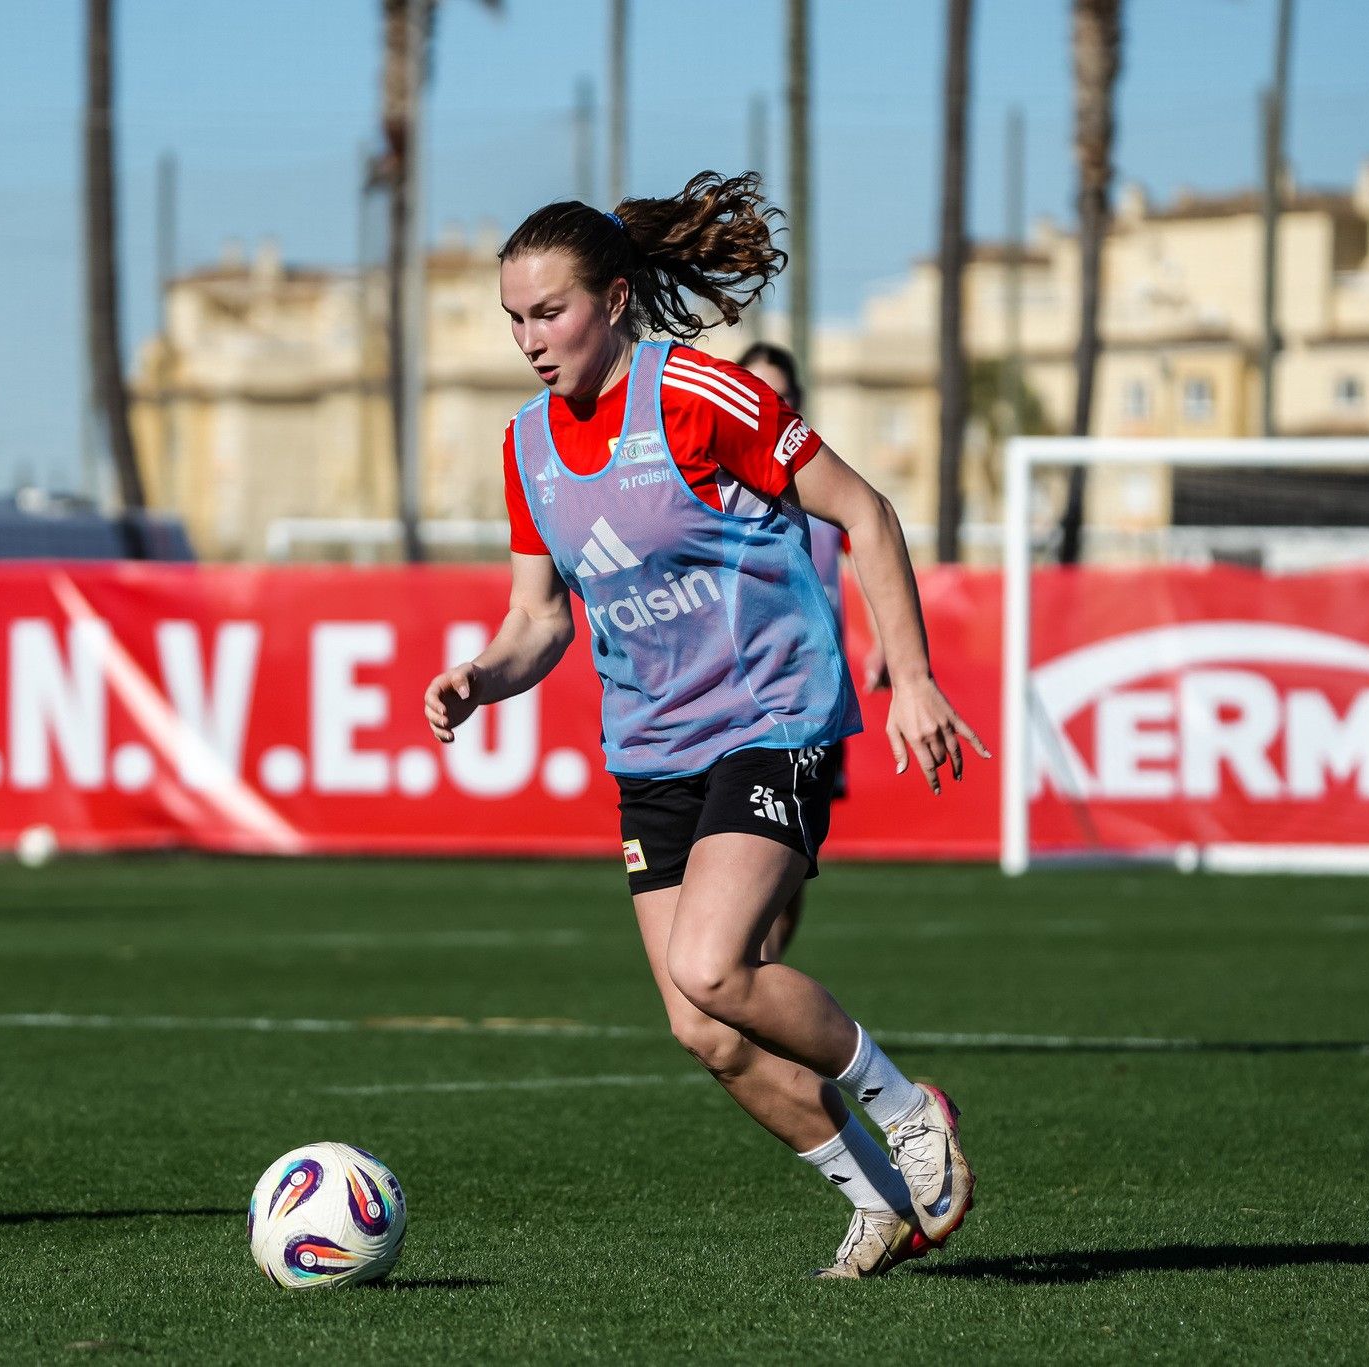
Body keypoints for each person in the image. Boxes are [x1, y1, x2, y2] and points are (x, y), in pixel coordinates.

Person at [423, 172, 987, 1278]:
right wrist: (481, 677)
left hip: (771, 717)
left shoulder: (697, 394)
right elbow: (539, 619)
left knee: (714, 964)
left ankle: (909, 1109)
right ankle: (875, 1201)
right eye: (514, 319)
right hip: (650, 748)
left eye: (549, 313)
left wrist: (912, 677)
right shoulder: (527, 444)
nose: (530, 340)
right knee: (704, 1026)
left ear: (613, 301)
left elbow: (865, 511)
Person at [735, 341, 882, 962]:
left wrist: (885, 641)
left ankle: (756, 973)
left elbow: (868, 544)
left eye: (781, 395)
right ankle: (749, 975)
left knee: (791, 859)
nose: (767, 403)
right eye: (755, 391)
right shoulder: (716, 485)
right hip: (736, 697)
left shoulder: (818, 486)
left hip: (812, 697)